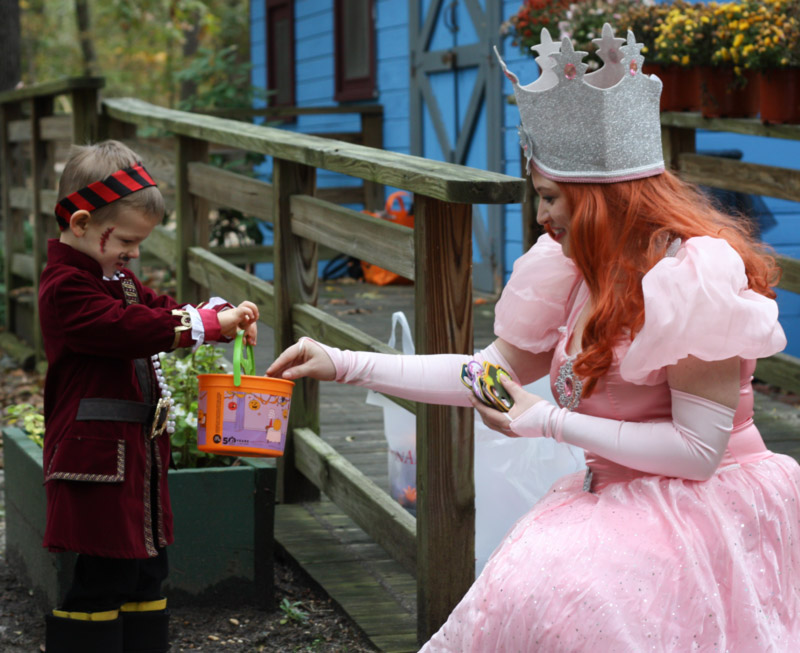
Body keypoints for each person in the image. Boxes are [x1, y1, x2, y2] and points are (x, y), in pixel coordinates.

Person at [267, 24, 800, 651]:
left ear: (602, 199)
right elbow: (489, 374)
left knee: (559, 598)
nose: (541, 216)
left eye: (550, 198)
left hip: (706, 509)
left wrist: (546, 420)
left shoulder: (691, 277)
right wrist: (341, 362)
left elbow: (697, 452)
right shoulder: (571, 271)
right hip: (617, 498)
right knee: (531, 596)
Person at [39, 140, 259, 653]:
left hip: (134, 459)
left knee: (145, 570)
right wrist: (205, 324)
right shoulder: (65, 288)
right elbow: (127, 329)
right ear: (81, 224)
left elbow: (161, 309)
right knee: (103, 575)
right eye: (127, 242)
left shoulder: (118, 280)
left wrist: (224, 317)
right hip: (95, 463)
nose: (134, 253)